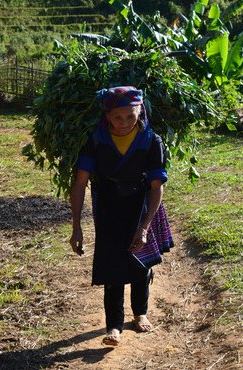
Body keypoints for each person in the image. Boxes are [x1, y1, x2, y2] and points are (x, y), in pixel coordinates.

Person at [70, 86, 173, 346]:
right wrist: (76, 227)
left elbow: (156, 187)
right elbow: (80, 183)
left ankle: (140, 313)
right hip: (107, 205)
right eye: (118, 117)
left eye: (131, 116)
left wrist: (145, 226)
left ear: (141, 111)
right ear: (107, 116)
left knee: (140, 261)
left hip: (140, 204)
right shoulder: (96, 139)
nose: (125, 122)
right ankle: (114, 326)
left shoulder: (151, 140)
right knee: (112, 264)